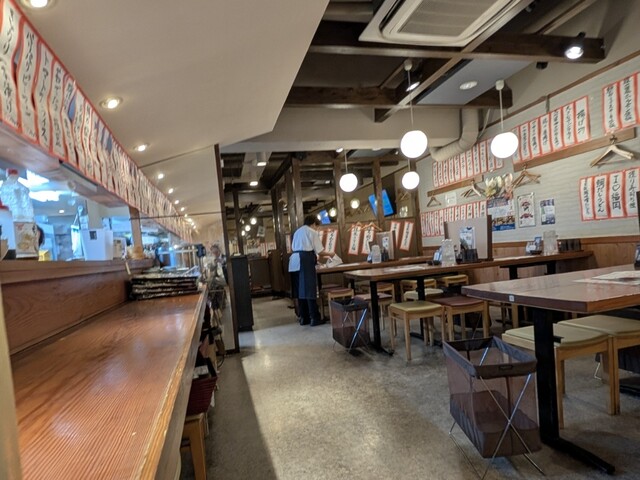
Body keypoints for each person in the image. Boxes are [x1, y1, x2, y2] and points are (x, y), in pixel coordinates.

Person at [289, 214, 332, 326]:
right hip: (305, 259)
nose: (316, 229)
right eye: (316, 226)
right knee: (309, 289)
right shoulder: (311, 232)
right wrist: (331, 254)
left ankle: (304, 318)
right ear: (313, 224)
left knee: (300, 291)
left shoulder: (297, 231)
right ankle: (314, 318)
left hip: (294, 260)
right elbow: (320, 251)